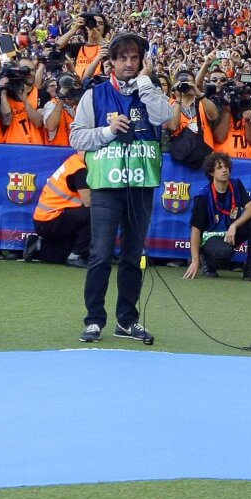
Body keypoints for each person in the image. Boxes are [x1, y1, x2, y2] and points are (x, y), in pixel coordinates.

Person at [71, 32, 174, 344]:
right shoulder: (94, 95)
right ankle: (94, 320)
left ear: (142, 61)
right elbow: (76, 137)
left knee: (132, 255)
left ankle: (127, 321)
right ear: (111, 62)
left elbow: (165, 118)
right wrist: (107, 131)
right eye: (122, 58)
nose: (129, 63)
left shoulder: (150, 91)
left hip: (141, 186)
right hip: (106, 185)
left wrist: (145, 83)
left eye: (134, 58)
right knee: (100, 254)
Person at [183, 151, 251, 283]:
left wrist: (234, 225)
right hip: (211, 238)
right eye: (219, 168)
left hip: (231, 233)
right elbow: (195, 230)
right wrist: (195, 260)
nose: (224, 170)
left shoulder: (236, 184)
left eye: (226, 167)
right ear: (211, 172)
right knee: (224, 253)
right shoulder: (203, 196)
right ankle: (207, 262)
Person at [29, 152, 91, 267]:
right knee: (95, 213)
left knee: (61, 256)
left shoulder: (74, 161)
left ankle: (39, 247)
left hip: (47, 219)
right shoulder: (79, 170)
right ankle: (76, 256)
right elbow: (88, 202)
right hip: (51, 219)